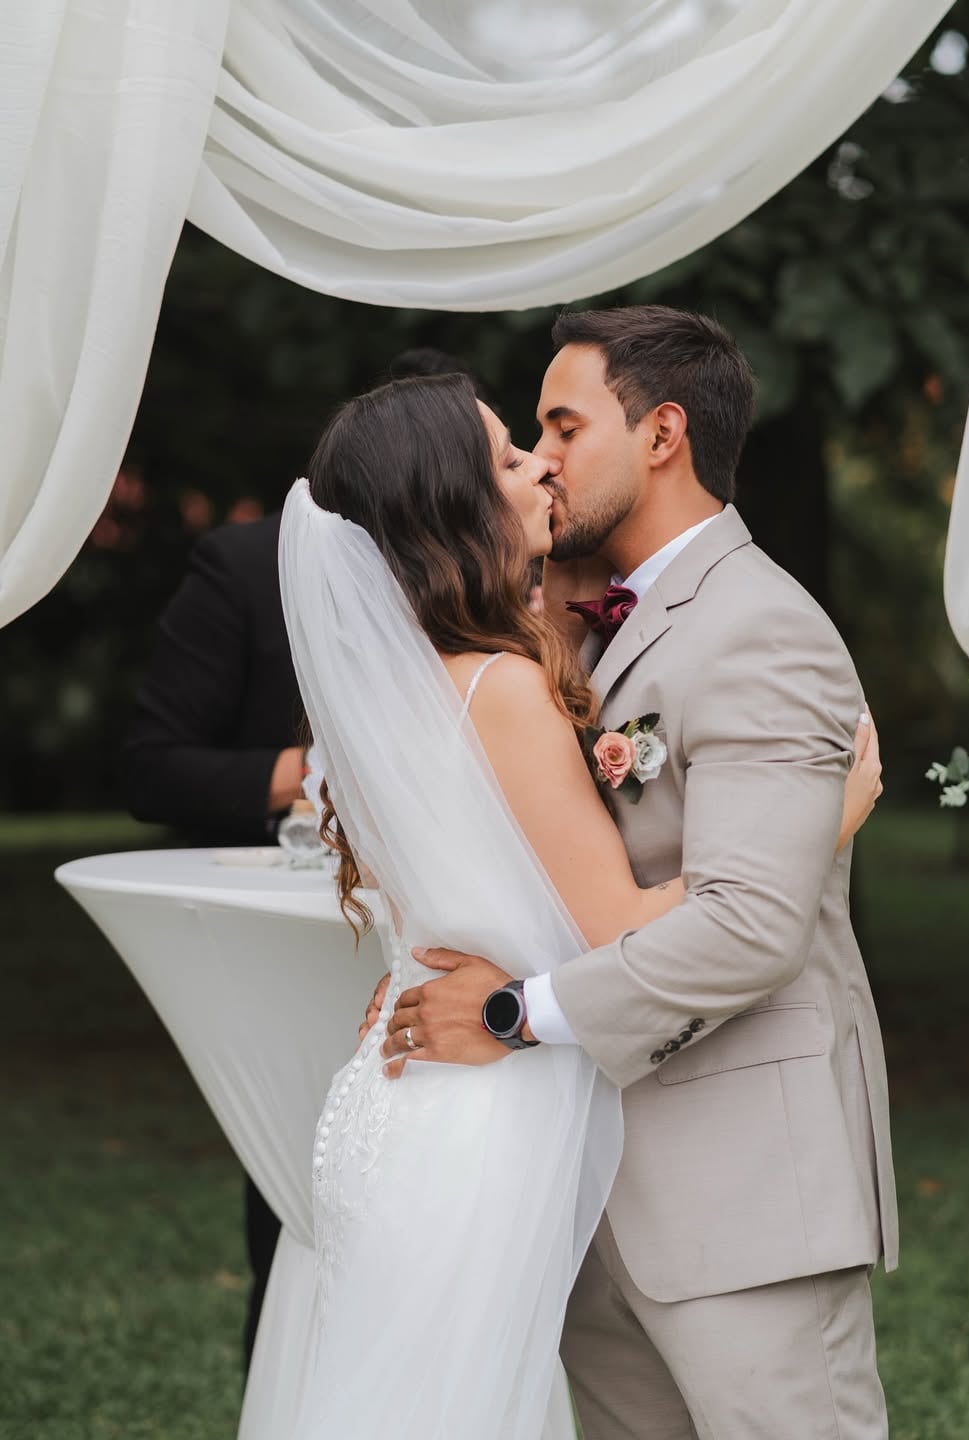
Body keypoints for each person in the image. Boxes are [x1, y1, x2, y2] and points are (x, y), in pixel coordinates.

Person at [279, 355, 883, 1437]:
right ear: (452, 503)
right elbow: (620, 919)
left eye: (555, 432)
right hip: (498, 1120)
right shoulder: (506, 681)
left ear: (661, 434)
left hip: (442, 1116)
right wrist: (822, 827)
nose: (541, 466)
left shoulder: (414, 677)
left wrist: (493, 997)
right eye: (516, 450)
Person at [124, 348, 492, 1373]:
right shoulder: (245, 567)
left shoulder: (503, 582)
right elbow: (154, 768)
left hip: (461, 950)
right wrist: (325, 772)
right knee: (305, 1196)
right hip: (305, 938)